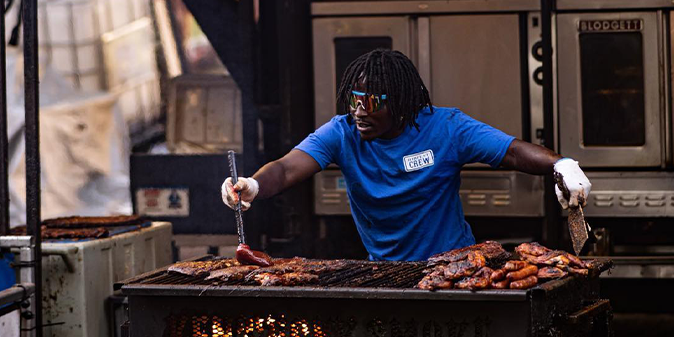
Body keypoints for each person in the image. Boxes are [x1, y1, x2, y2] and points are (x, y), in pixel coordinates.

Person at [221, 49, 590, 261]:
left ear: (400, 102)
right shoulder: (342, 132)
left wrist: (561, 163)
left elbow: (510, 152)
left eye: (373, 102)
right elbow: (286, 170)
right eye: (355, 100)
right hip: (384, 271)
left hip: (455, 266)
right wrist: (253, 184)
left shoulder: (446, 127)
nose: (360, 111)